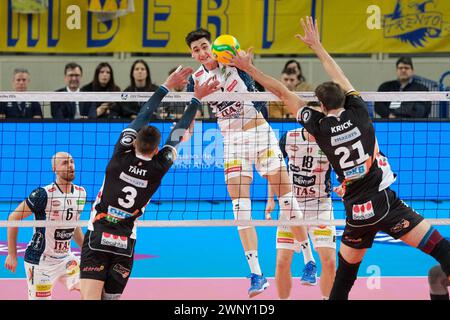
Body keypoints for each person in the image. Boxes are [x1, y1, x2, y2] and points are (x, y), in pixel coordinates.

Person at [227, 16, 450, 300]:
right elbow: (337, 73)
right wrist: (318, 47)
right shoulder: (359, 110)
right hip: (386, 204)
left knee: (342, 285)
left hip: (357, 215)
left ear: (320, 106)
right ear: (345, 97)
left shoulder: (319, 127)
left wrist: (248, 68)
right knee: (442, 251)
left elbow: (282, 92)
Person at [185, 28, 315, 298]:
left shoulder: (232, 63)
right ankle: (257, 274)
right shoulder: (195, 80)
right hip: (232, 143)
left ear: (213, 46)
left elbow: (254, 81)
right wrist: (186, 129)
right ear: (192, 54)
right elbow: (191, 111)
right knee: (240, 208)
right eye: (195, 49)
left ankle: (309, 261)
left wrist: (246, 63)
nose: (201, 52)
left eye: (204, 46)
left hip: (259, 134)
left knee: (287, 199)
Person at [79, 66, 220, 300]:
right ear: (156, 150)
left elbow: (143, 115)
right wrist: (196, 98)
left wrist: (166, 84)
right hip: (125, 242)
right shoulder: (159, 166)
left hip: (98, 235)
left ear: (134, 143)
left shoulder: (120, 156)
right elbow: (179, 132)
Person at [266, 122, 336, 300]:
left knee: (329, 262)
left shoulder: (331, 141)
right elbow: (276, 170)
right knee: (282, 262)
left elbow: (345, 171)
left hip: (320, 206)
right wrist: (270, 199)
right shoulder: (289, 138)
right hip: (291, 206)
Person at [4, 152, 86, 299]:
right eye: (65, 163)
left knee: (91, 288)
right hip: (40, 261)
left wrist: (86, 251)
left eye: (72, 162)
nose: (71, 166)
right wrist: (12, 254)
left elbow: (74, 226)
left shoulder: (81, 193)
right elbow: (13, 218)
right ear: (55, 168)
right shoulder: (43, 194)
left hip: (66, 259)